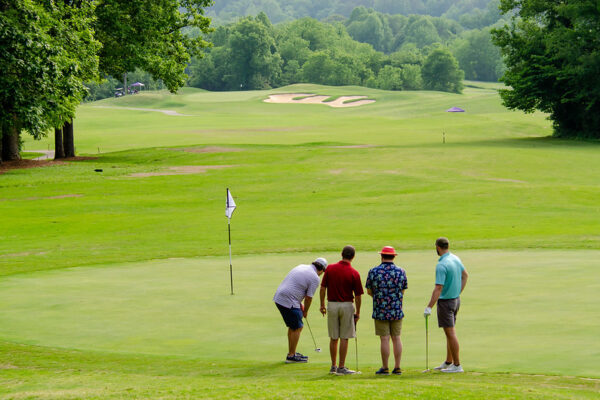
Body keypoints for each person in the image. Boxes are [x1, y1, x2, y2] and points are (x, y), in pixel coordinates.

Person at [424, 237, 469, 373]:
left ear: (437, 247)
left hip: (446, 302)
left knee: (450, 333)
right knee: (449, 332)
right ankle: (449, 361)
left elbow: (438, 288)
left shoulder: (441, 265)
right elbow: (465, 275)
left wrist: (429, 307)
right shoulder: (455, 258)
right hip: (455, 300)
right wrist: (457, 291)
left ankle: (457, 365)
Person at [273, 257, 328, 363]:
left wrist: (299, 304)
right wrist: (305, 311)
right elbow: (309, 297)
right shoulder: (315, 277)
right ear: (322, 270)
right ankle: (291, 356)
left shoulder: (302, 266)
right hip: (288, 301)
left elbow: (296, 287)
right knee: (298, 327)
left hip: (280, 297)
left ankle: (292, 352)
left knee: (294, 326)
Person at [319, 245, 363, 375]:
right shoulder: (354, 273)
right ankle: (341, 367)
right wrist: (358, 312)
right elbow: (359, 296)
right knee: (344, 337)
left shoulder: (330, 269)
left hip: (332, 305)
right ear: (353, 256)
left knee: (334, 337)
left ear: (341, 254)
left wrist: (322, 305)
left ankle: (333, 366)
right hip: (347, 305)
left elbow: (322, 288)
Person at [366, 246, 408, 376]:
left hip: (380, 309)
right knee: (396, 338)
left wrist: (379, 298)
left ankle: (385, 367)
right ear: (394, 256)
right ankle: (397, 367)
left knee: (384, 339)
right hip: (396, 309)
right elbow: (402, 290)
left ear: (382, 256)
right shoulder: (401, 271)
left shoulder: (373, 271)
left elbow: (369, 291)